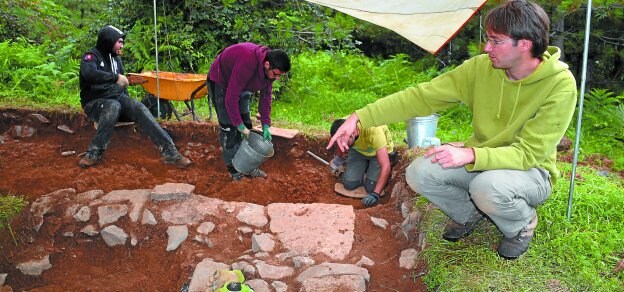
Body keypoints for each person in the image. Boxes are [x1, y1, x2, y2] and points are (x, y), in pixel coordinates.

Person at [327, 0, 577, 259]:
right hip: (483, 159)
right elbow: (422, 97)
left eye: (496, 41)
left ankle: (522, 224)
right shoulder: (481, 69)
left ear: (524, 44)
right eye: (487, 39)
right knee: (419, 173)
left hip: (530, 172)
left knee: (487, 187)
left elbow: (529, 154)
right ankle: (468, 214)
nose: (486, 47)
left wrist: (471, 155)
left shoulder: (559, 85)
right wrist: (361, 116)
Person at [78, 25, 191, 169]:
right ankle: (94, 153)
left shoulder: (116, 60)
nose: (122, 45)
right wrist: (115, 77)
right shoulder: (91, 57)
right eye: (119, 42)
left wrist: (128, 103)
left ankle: (171, 153)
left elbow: (123, 88)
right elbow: (89, 74)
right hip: (94, 103)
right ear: (108, 41)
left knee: (138, 107)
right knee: (113, 106)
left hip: (116, 100)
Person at [207, 42, 290, 181]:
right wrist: (238, 125)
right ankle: (234, 170)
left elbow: (266, 97)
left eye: (280, 76)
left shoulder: (270, 71)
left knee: (247, 124)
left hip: (243, 83)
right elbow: (230, 99)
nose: (277, 78)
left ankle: (246, 167)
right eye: (276, 75)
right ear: (267, 64)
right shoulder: (247, 61)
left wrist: (265, 124)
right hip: (222, 82)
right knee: (229, 128)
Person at [329, 119, 395, 207]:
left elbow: (385, 166)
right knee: (349, 184)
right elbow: (339, 142)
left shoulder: (374, 131)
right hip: (358, 151)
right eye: (339, 142)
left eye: (344, 141)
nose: (342, 144)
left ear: (353, 133)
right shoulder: (342, 126)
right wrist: (339, 158)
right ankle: (364, 172)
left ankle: (368, 172)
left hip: (378, 153)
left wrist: (375, 194)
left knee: (371, 188)